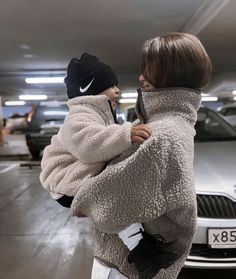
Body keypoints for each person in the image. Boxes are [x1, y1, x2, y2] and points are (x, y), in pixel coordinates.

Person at [70, 32, 212, 279]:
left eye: (148, 68)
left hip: (125, 267)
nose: (141, 76)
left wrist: (77, 193)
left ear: (169, 72)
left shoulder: (161, 134)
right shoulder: (173, 124)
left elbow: (107, 204)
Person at [40, 53, 174, 277]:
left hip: (77, 171)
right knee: (111, 196)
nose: (117, 91)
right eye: (111, 86)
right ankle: (142, 250)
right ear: (90, 89)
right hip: (63, 178)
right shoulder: (79, 115)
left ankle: (142, 246)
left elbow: (103, 139)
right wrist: (126, 134)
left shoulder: (98, 113)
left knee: (113, 192)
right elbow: (88, 145)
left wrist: (128, 132)